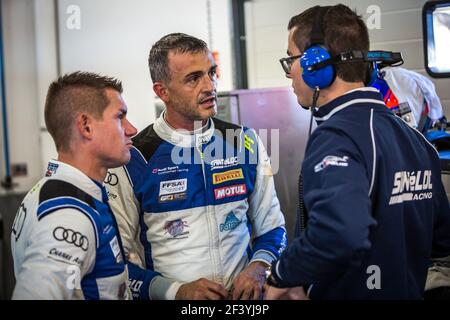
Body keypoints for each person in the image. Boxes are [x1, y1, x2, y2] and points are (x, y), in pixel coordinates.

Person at [264, 4, 450, 299]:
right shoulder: (416, 140)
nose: (290, 74)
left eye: (291, 60)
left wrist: (282, 274)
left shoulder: (336, 137)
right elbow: (441, 242)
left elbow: (340, 231)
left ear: (317, 66)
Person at [107, 33, 287, 300]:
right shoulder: (133, 158)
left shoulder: (245, 142)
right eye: (193, 78)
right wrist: (174, 291)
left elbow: (273, 228)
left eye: (211, 73)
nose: (209, 86)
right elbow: (117, 264)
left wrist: (259, 267)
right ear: (162, 91)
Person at [10, 72, 137, 299]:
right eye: (120, 117)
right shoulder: (70, 214)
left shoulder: (61, 190)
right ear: (86, 126)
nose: (131, 129)